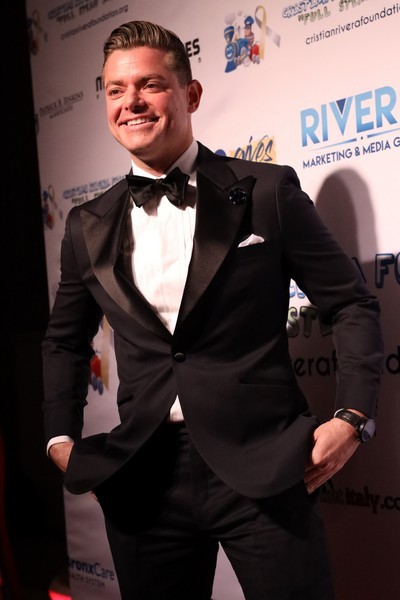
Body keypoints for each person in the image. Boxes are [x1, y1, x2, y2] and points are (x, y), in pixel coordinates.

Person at [42, 20, 384, 600]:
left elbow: (350, 302)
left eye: (150, 85)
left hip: (266, 464)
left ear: (192, 94)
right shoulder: (85, 224)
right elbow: (64, 342)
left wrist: (352, 418)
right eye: (116, 90)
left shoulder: (267, 191)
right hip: (143, 478)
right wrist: (58, 438)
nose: (131, 102)